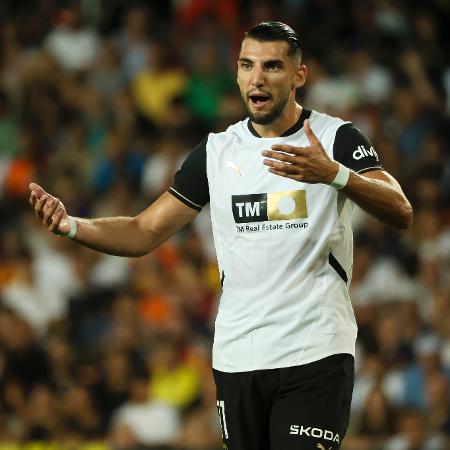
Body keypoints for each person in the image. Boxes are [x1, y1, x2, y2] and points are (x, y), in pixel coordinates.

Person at [29, 21, 413, 450]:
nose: (258, 78)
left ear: (298, 76)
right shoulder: (216, 152)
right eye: (247, 65)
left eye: (272, 66)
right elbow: (144, 230)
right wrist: (73, 226)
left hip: (315, 351)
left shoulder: (334, 138)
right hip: (238, 357)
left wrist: (336, 175)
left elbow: (400, 209)